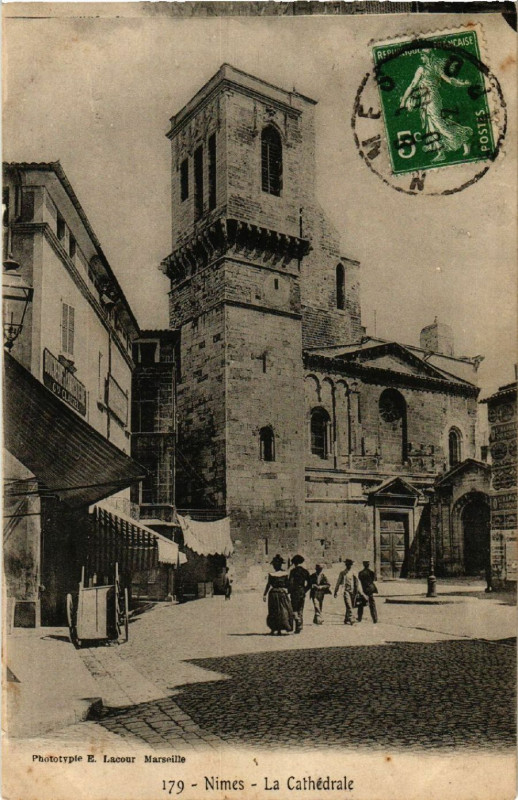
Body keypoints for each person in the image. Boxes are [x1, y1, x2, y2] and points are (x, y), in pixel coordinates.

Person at [263, 555, 294, 635]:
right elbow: (288, 585)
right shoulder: (283, 574)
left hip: (275, 593)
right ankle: (277, 628)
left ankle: (276, 629)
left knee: (277, 611)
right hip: (280, 593)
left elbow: (269, 585)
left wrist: (265, 594)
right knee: (278, 611)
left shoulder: (274, 574)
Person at [334, 558, 366, 625]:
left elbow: (358, 583)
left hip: (353, 592)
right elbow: (338, 583)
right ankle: (352, 619)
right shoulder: (342, 573)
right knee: (348, 605)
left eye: (350, 564)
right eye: (348, 564)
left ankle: (346, 619)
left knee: (350, 605)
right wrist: (336, 591)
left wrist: (361, 593)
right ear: (346, 565)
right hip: (346, 591)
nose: (349, 565)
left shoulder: (354, 573)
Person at [288, 555, 310, 633]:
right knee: (301, 608)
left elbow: (290, 582)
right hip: (302, 591)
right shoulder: (305, 571)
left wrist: (289, 591)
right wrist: (305, 590)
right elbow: (310, 583)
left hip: (295, 591)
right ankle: (299, 627)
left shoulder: (293, 571)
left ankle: (296, 622)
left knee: (294, 608)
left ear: (294, 563)